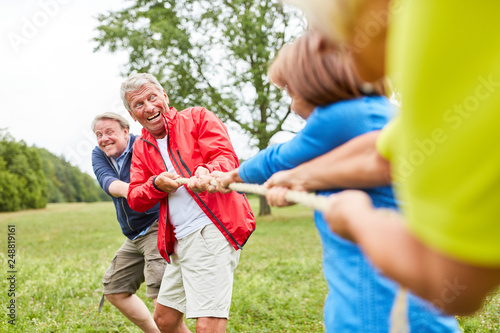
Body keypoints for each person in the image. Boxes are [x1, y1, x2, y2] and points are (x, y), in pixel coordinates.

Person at [211, 29, 460, 332]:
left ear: (316, 80)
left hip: (374, 293)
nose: (291, 105)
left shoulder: (344, 115)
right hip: (403, 280)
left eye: (291, 91)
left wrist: (231, 175)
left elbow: (281, 157)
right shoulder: (382, 112)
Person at [283, 0, 500, 315]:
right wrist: (296, 177)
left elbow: (455, 282)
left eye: (333, 19)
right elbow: (382, 153)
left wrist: (358, 218)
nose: (319, 43)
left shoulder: (435, 16)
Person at [121, 73, 256, 333]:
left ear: (165, 97)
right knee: (165, 320)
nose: (148, 107)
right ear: (131, 113)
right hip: (179, 241)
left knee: (207, 323)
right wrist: (156, 185)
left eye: (152, 97)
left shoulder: (197, 117)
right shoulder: (141, 147)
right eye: (139, 104)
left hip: (211, 229)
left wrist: (207, 171)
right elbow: (136, 197)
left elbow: (224, 156)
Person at [91, 112, 164, 333]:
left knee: (160, 295)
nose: (104, 139)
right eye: (99, 134)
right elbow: (109, 183)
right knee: (115, 289)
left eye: (109, 132)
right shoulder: (99, 154)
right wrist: (140, 190)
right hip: (133, 235)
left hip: (156, 225)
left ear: (125, 131)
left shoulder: (144, 145)